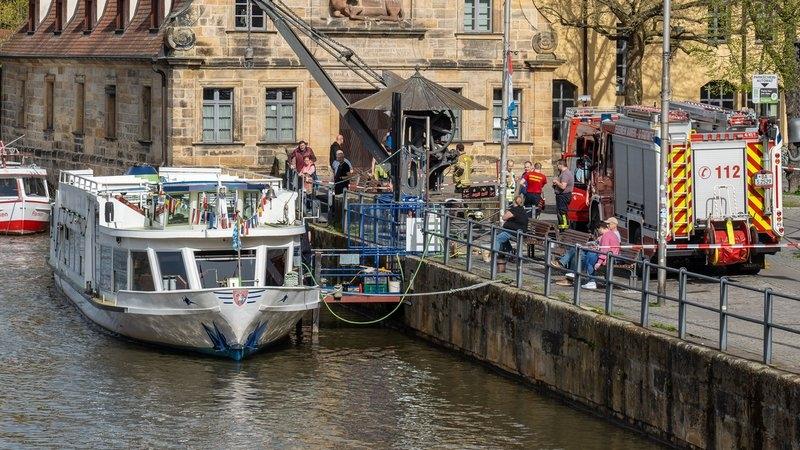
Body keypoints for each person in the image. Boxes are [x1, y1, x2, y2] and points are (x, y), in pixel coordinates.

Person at [554, 220, 620, 289]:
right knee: (580, 252)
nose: (598, 232)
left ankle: (587, 279)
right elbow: (604, 249)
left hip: (609, 257)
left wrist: (599, 262)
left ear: (600, 228)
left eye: (598, 230)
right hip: (610, 256)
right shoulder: (610, 234)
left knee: (588, 255)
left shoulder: (606, 236)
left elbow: (604, 250)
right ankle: (574, 272)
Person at [552, 159, 574, 231]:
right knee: (560, 212)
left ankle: (564, 228)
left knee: (562, 212)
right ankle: (562, 227)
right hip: (561, 195)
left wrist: (556, 182)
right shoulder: (563, 173)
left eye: (558, 165)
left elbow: (563, 186)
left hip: (563, 196)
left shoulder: (565, 174)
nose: (557, 167)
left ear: (561, 165)